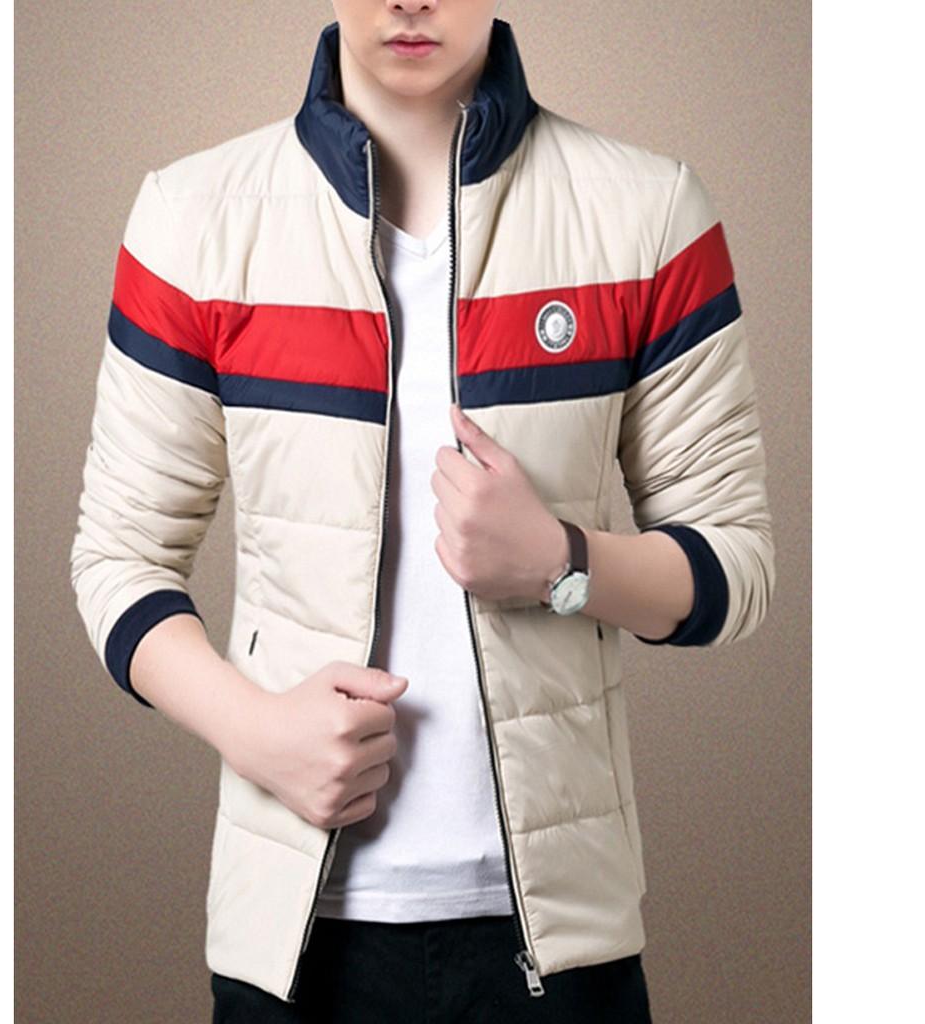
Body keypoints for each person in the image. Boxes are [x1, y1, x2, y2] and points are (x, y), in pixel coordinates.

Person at [69, 1, 775, 1021]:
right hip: (293, 946)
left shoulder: (648, 212)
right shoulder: (193, 218)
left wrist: (560, 562)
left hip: (558, 948)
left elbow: (735, 565)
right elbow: (118, 557)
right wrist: (255, 732)